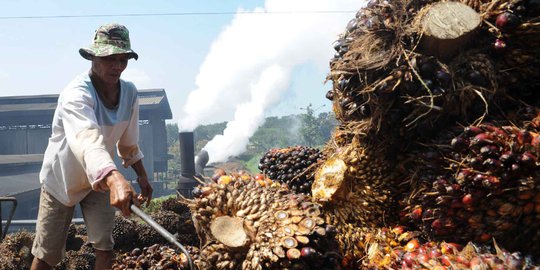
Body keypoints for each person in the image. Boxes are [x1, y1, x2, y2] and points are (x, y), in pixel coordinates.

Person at [30, 23, 153, 270]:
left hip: (99, 182)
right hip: (62, 180)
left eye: (123, 59)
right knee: (47, 256)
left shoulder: (129, 93)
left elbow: (128, 143)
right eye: (110, 58)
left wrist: (142, 176)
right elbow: (88, 140)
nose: (118, 66)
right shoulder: (76, 94)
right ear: (93, 56)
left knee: (105, 251)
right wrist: (115, 178)